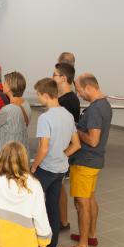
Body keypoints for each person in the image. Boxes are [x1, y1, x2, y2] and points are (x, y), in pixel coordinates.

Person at [60, 73, 112, 247]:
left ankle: (82, 246)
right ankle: (90, 235)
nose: (79, 94)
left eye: (80, 90)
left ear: (89, 87)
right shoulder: (103, 104)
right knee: (89, 199)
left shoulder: (96, 109)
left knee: (81, 203)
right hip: (94, 161)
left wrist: (75, 128)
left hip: (85, 162)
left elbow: (93, 139)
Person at [31, 78, 81, 247]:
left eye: (38, 94)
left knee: (32, 207)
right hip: (61, 169)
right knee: (53, 208)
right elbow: (76, 144)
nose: (37, 97)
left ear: (45, 95)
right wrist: (62, 155)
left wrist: (34, 166)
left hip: (45, 169)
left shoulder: (45, 118)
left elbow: (43, 149)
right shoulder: (68, 115)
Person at [0, 71, 30, 187]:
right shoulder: (26, 104)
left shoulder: (8, 110)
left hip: (4, 153)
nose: (2, 85)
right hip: (19, 153)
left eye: (5, 83)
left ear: (10, 87)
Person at [53, 63, 81, 231]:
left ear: (63, 78)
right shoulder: (65, 99)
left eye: (55, 75)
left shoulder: (68, 101)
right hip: (61, 149)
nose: (52, 78)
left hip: (62, 150)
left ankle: (61, 221)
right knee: (59, 186)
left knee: (58, 186)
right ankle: (62, 221)